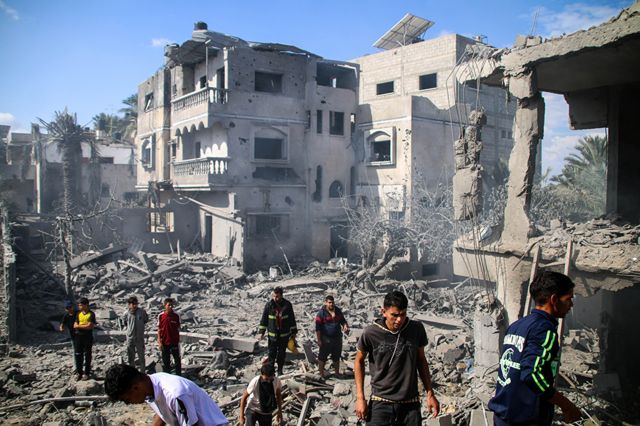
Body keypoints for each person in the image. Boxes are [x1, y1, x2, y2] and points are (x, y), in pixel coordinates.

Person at [489, 271, 582, 425]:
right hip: (525, 419)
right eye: (568, 299)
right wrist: (566, 405)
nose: (571, 305)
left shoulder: (517, 326)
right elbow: (531, 374)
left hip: (503, 415)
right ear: (554, 299)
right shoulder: (544, 329)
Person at [355, 290, 439, 425]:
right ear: (383, 312)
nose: (399, 319)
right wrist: (360, 398)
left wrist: (430, 394)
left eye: (403, 314)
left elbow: (421, 360)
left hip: (410, 404)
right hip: (381, 402)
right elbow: (358, 361)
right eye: (394, 315)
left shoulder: (416, 329)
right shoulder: (371, 333)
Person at [104, 363, 228, 426]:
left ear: (135, 388)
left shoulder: (175, 394)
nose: (129, 403)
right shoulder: (149, 387)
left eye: (127, 399)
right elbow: (162, 414)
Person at [258, 287, 297, 375]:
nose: (275, 298)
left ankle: (280, 371)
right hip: (272, 336)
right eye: (274, 296)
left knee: (281, 354)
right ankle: (271, 372)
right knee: (271, 354)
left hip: (284, 336)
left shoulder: (287, 305)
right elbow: (264, 319)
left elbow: (292, 319)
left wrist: (294, 332)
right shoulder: (269, 305)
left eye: (277, 297)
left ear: (281, 296)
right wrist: (261, 332)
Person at [315, 295, 349, 377]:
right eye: (329, 302)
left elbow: (343, 320)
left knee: (336, 356)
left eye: (332, 302)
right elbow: (318, 328)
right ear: (326, 303)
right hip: (326, 338)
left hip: (337, 338)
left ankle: (337, 373)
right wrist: (319, 340)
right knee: (322, 356)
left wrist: (345, 326)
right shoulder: (321, 313)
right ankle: (321, 374)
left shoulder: (337, 311)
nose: (331, 304)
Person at [123, 296, 149, 373]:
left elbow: (145, 320)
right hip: (130, 338)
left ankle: (143, 373)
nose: (135, 305)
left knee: (141, 357)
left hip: (139, 338)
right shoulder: (126, 313)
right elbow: (125, 323)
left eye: (136, 304)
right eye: (133, 304)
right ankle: (132, 374)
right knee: (131, 357)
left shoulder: (142, 312)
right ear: (129, 304)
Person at [73, 297, 96, 381]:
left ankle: (86, 373)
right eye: (79, 305)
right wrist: (83, 326)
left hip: (87, 337)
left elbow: (89, 326)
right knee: (78, 355)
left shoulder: (91, 314)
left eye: (81, 305)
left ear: (86, 305)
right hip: (78, 337)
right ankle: (79, 373)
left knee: (87, 355)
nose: (79, 306)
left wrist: (79, 326)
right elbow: (75, 325)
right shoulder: (78, 314)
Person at [158, 297, 181, 376]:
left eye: (172, 305)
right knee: (166, 361)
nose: (171, 306)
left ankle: (178, 376)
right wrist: (159, 342)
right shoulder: (161, 316)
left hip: (174, 342)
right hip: (164, 342)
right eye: (169, 305)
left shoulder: (176, 316)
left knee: (177, 360)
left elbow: (178, 328)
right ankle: (168, 376)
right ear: (165, 305)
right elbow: (159, 329)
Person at [59, 300, 79, 376]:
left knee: (81, 351)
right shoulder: (66, 316)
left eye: (70, 307)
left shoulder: (78, 313)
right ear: (66, 309)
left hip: (81, 335)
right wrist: (61, 327)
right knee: (75, 351)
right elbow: (62, 323)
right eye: (67, 308)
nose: (69, 309)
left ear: (73, 307)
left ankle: (80, 366)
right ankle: (76, 366)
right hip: (73, 336)